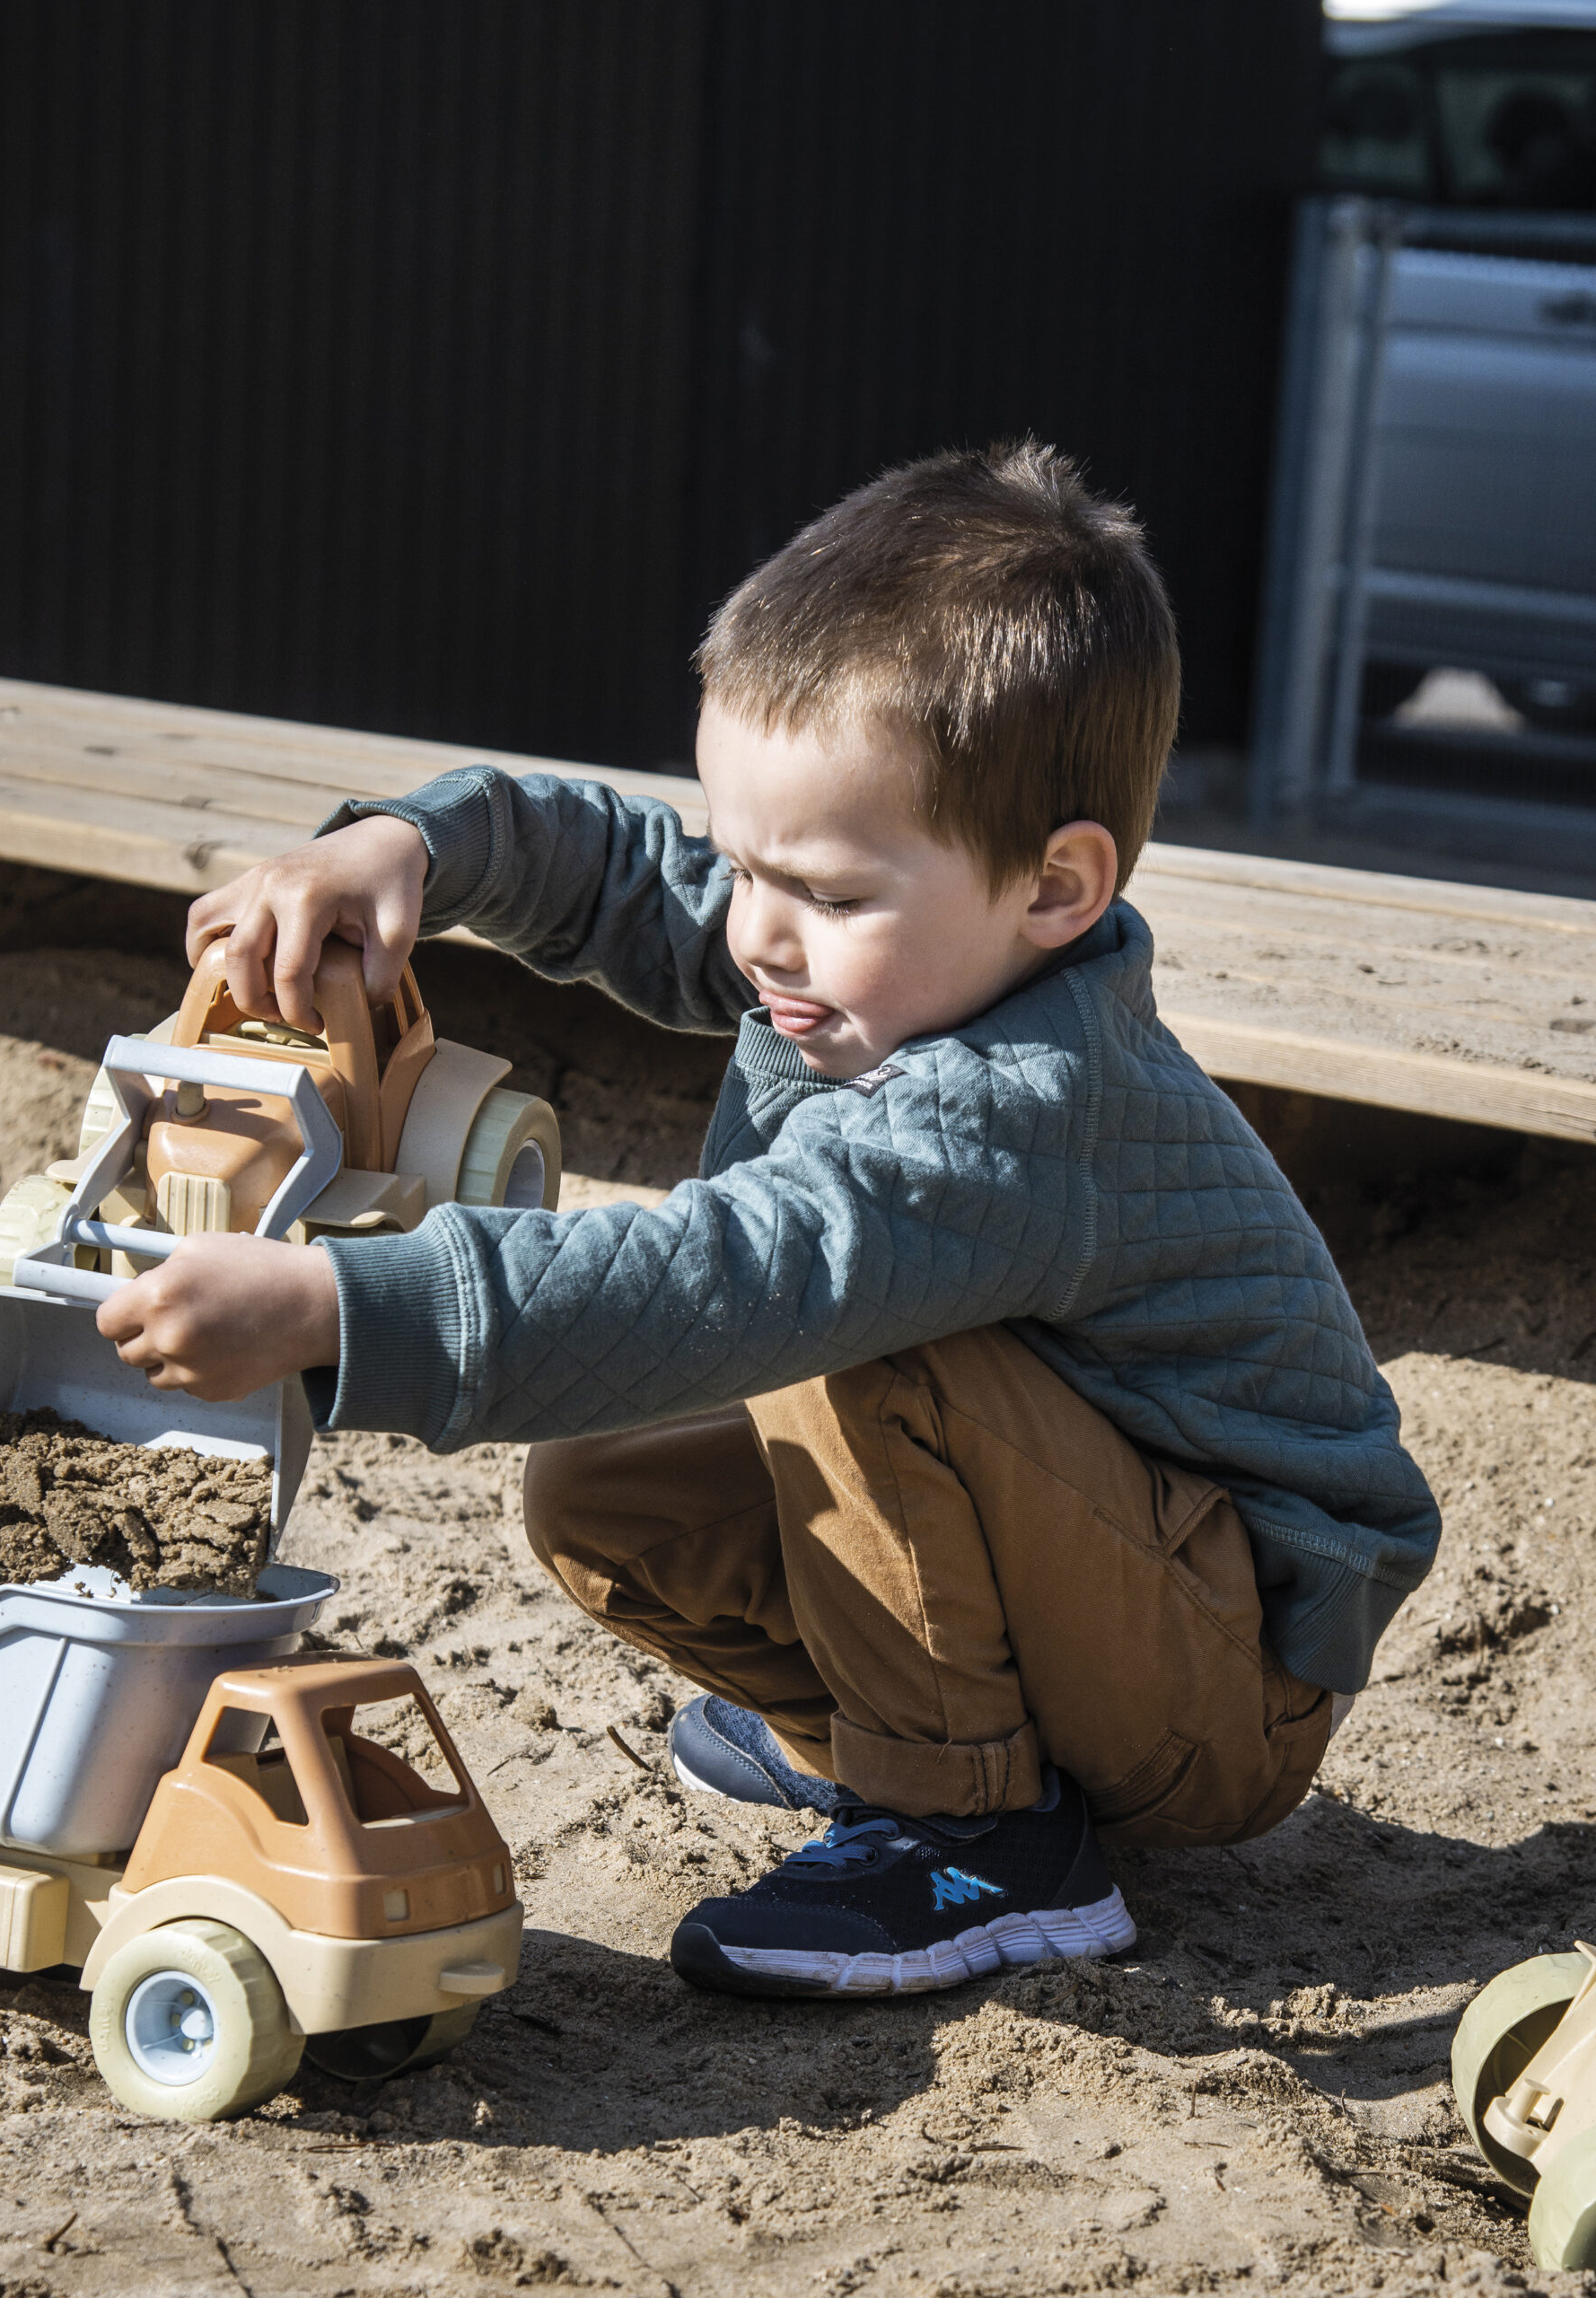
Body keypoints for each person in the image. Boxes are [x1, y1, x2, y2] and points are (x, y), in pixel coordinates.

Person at [99, 443, 1440, 2002]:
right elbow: (618, 870)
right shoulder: (874, 949)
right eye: (745, 864)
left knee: (857, 1339)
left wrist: (347, 1306)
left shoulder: (1011, 1108)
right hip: (1104, 1584)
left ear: (1057, 889)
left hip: (1231, 1672)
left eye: (824, 890)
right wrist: (410, 846)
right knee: (607, 1489)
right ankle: (883, 1733)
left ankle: (981, 1833)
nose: (755, 930)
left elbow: (730, 1276)